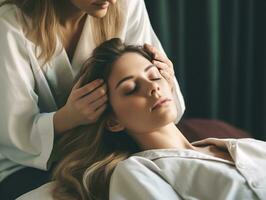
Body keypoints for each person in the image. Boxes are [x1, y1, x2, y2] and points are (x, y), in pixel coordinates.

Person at [18, 38, 266, 200]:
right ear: (113, 122)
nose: (152, 87)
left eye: (154, 76)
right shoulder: (135, 173)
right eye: (130, 88)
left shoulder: (245, 146)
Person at [0, 0, 185, 199]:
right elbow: (13, 133)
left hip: (113, 149)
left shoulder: (126, 4)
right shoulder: (10, 26)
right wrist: (68, 118)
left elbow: (163, 102)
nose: (112, 1)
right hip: (29, 165)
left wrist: (164, 78)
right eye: (130, 88)